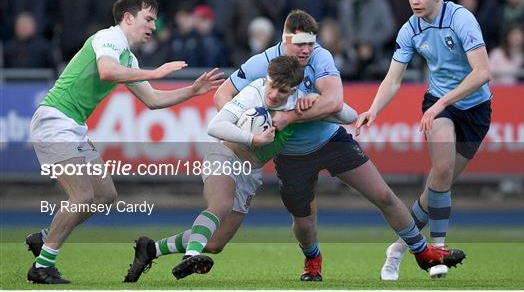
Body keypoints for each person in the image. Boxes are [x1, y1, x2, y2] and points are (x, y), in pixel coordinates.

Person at [213, 9, 466, 282]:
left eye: (311, 43)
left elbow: (334, 103)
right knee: (305, 224)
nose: (307, 49)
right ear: (285, 40)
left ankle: (422, 253)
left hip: (331, 140)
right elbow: (222, 94)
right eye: (300, 44)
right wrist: (250, 125)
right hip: (291, 155)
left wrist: (290, 116)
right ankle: (312, 258)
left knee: (382, 195)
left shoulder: (321, 56)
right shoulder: (261, 63)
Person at [24, 0, 225, 284]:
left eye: (155, 20)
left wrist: (192, 92)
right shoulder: (109, 38)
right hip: (54, 121)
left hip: (72, 126)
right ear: (128, 18)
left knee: (105, 195)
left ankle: (44, 239)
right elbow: (106, 71)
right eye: (148, 19)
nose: (153, 26)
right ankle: (42, 265)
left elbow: (153, 100)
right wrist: (155, 72)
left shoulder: (127, 57)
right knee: (82, 196)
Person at [123, 55, 358, 282]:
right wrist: (253, 139)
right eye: (273, 86)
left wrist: (317, 101)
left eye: (283, 91)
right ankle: (191, 256)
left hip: (250, 170)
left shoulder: (300, 104)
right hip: (224, 153)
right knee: (221, 204)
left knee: (215, 244)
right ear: (267, 78)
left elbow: (349, 115)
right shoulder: (254, 92)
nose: (275, 94)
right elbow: (215, 126)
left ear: (294, 89)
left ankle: (150, 249)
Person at [355, 0, 492, 281]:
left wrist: (445, 101)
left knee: (437, 188)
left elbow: (483, 73)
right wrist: (373, 110)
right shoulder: (409, 30)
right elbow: (393, 79)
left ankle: (400, 247)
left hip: (475, 109)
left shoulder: (461, 19)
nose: (415, 1)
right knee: (441, 171)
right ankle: (438, 250)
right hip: (438, 106)